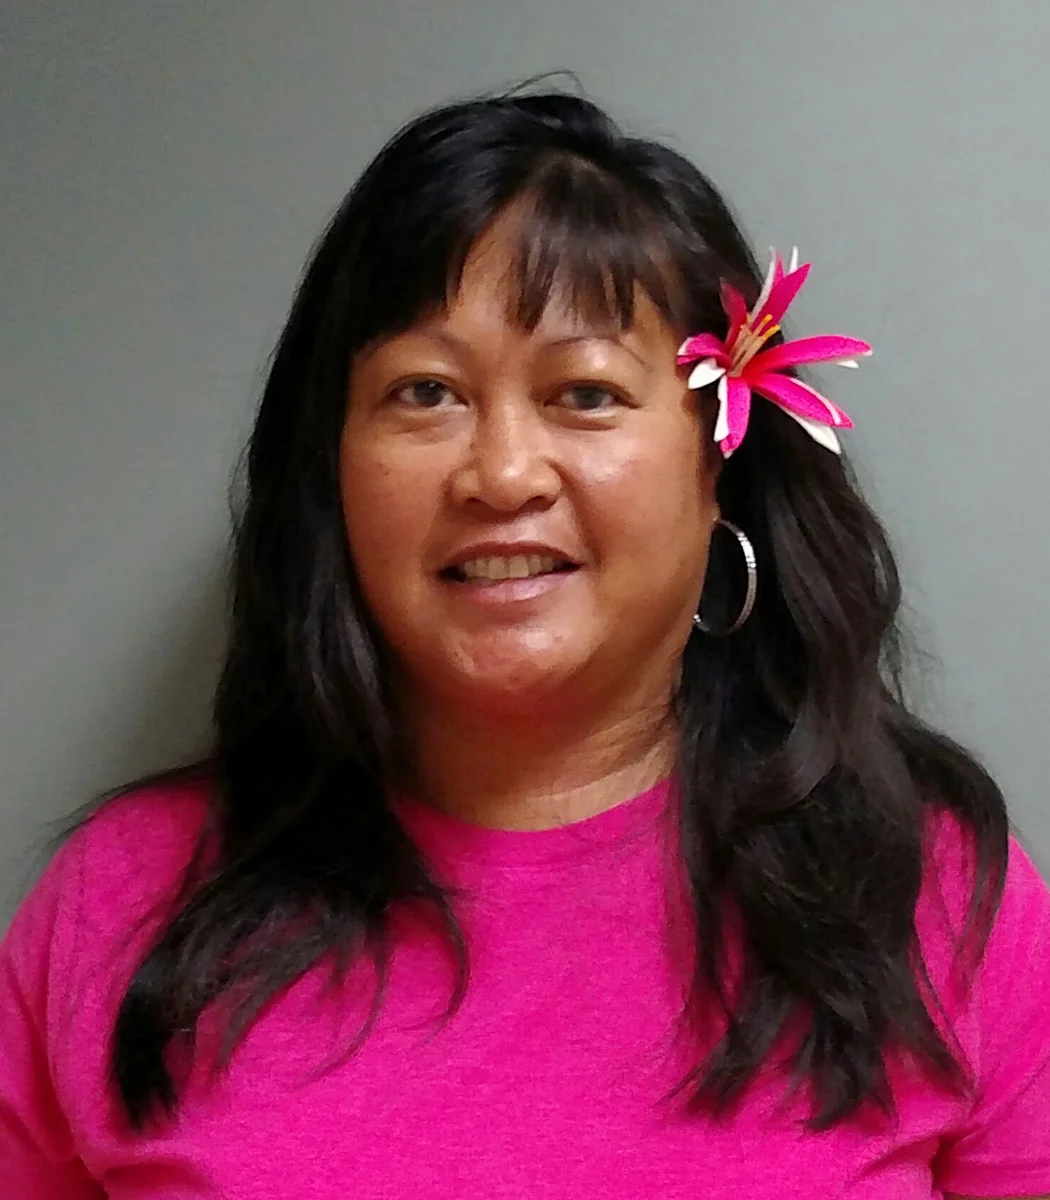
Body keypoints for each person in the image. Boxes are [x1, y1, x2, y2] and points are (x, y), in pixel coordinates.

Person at [1, 88, 1048, 1200]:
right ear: (332, 469)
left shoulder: (934, 894)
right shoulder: (122, 899)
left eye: (585, 393)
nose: (502, 474)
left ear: (718, 467)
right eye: (426, 392)